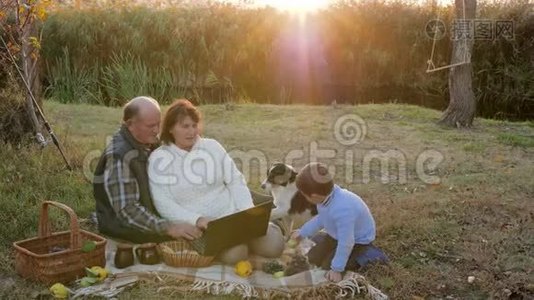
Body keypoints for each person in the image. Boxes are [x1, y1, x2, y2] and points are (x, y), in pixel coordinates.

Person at [148, 99, 285, 264]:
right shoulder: (159, 159)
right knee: (237, 255)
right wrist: (197, 219)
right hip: (203, 228)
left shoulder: (212, 146)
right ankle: (245, 244)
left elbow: (235, 180)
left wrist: (247, 212)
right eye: (185, 126)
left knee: (275, 247)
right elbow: (162, 202)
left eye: (194, 125)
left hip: (234, 216)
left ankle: (266, 228)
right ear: (170, 128)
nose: (192, 131)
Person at [93, 96, 203, 243]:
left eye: (158, 124)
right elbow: (128, 211)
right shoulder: (118, 157)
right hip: (127, 232)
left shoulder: (149, 143)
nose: (156, 130)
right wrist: (170, 228)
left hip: (155, 222)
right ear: (130, 124)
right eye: (150, 126)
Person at [291, 162, 388, 282]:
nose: (303, 197)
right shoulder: (325, 198)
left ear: (315, 196)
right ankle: (333, 253)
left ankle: (370, 254)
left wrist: (337, 269)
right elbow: (322, 218)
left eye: (304, 195)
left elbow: (346, 241)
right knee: (312, 257)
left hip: (357, 240)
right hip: (336, 234)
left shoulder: (343, 210)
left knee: (327, 269)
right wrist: (303, 232)